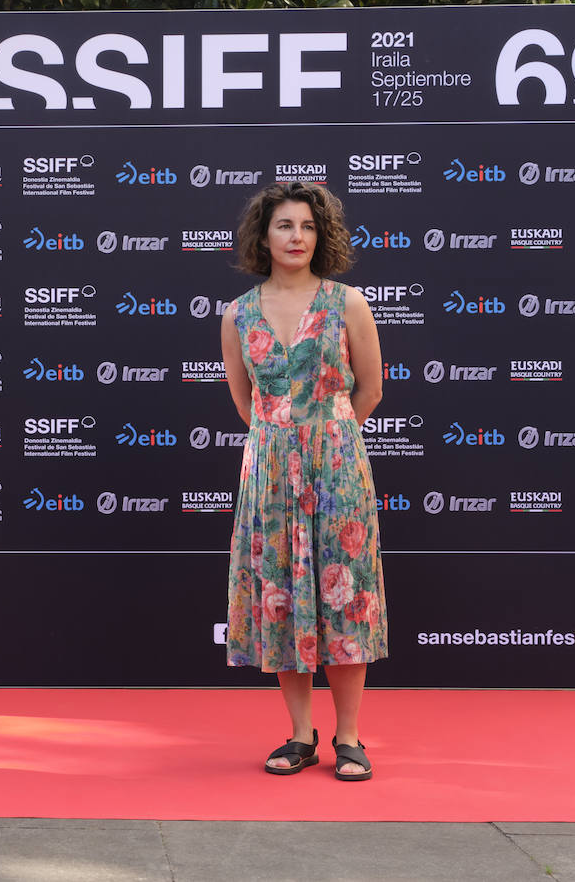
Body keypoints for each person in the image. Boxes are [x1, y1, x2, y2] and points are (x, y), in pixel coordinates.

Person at [220, 182, 386, 781]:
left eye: (308, 226)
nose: (297, 237)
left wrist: (326, 436)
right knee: (281, 600)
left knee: (345, 598)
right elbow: (246, 402)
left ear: (322, 236)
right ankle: (299, 736)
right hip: (269, 476)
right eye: (285, 226)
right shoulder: (237, 313)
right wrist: (283, 439)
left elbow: (370, 388)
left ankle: (349, 737)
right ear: (264, 237)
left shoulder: (348, 303)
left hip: (338, 468)